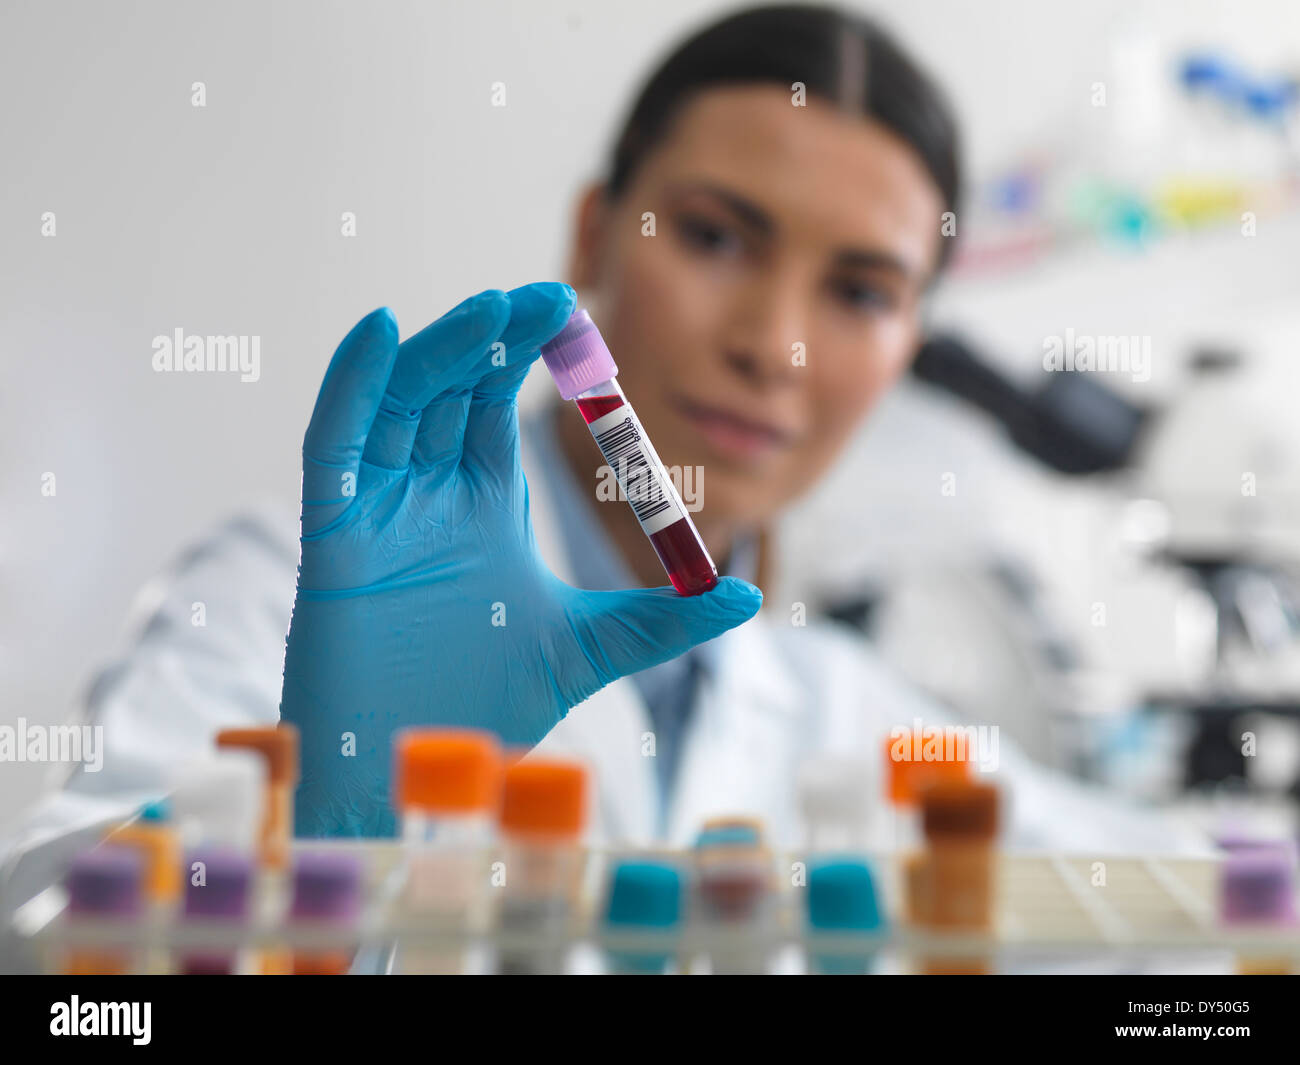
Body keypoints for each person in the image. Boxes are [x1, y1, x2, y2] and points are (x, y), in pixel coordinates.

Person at [0, 5, 1207, 910]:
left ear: (910, 348)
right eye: (714, 236)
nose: (773, 347)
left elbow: (1191, 905)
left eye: (860, 291)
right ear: (594, 233)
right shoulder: (289, 597)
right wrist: (322, 821)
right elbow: (56, 956)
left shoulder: (851, 713)